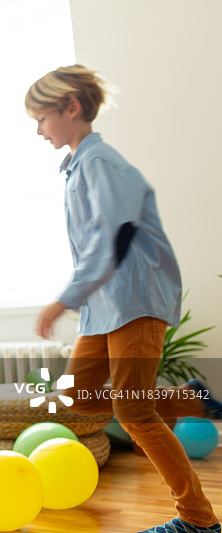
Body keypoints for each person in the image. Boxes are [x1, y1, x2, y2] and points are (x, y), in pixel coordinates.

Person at [27, 64, 220, 533]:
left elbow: (114, 236)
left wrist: (64, 299)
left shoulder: (100, 162)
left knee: (134, 412)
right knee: (77, 393)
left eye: (42, 118)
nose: (38, 130)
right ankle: (193, 399)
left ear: (71, 109)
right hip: (105, 307)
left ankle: (198, 520)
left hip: (134, 300)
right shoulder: (76, 167)